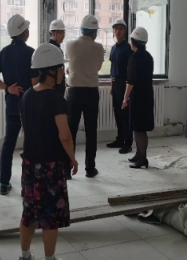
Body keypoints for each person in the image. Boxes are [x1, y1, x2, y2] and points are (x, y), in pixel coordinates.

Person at [16, 43, 78, 260]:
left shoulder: (26, 96)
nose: (62, 72)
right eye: (60, 68)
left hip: (29, 163)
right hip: (51, 165)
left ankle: (24, 258)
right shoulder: (56, 99)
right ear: (51, 70)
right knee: (50, 215)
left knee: (29, 212)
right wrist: (72, 158)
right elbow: (64, 135)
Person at [0, 14, 38, 195]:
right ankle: (30, 181)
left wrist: (7, 88)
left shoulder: (5, 52)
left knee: (8, 143)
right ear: (24, 32)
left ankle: (3, 183)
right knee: (32, 142)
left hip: (12, 104)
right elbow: (35, 82)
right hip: (29, 105)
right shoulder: (31, 53)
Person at [65, 15, 104, 178]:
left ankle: (67, 168)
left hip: (74, 92)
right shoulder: (99, 47)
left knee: (70, 131)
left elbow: (71, 64)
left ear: (81, 30)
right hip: (91, 92)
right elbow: (97, 68)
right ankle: (90, 168)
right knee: (91, 131)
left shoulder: (70, 45)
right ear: (94, 32)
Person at [122, 27, 155, 169]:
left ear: (134, 41)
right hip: (147, 95)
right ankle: (139, 154)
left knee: (139, 128)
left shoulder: (133, 58)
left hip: (138, 97)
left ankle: (142, 159)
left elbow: (131, 81)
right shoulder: (148, 56)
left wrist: (125, 98)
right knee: (139, 127)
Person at [107, 18, 133, 154]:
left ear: (124, 31)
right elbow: (112, 68)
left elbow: (131, 69)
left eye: (120, 29)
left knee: (125, 114)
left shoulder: (128, 48)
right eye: (116, 29)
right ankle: (120, 139)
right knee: (117, 113)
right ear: (113, 31)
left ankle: (128, 143)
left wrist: (128, 89)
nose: (118, 31)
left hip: (124, 83)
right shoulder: (113, 48)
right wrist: (112, 86)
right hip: (116, 83)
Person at [48, 19, 67, 97]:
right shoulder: (49, 49)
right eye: (61, 32)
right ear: (53, 33)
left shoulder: (57, 48)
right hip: (54, 89)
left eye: (64, 32)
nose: (63, 35)